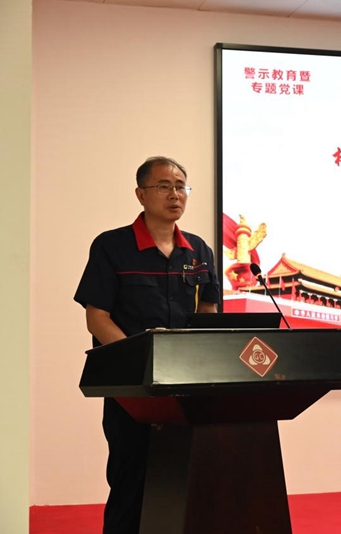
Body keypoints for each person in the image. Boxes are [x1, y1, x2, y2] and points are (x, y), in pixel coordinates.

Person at [74, 156, 220, 534]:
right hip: (133, 387)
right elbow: (97, 317)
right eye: (164, 186)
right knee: (131, 481)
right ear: (141, 194)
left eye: (181, 186)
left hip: (187, 385)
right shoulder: (112, 246)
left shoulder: (199, 251)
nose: (175, 194)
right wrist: (141, 361)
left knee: (186, 483)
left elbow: (208, 309)